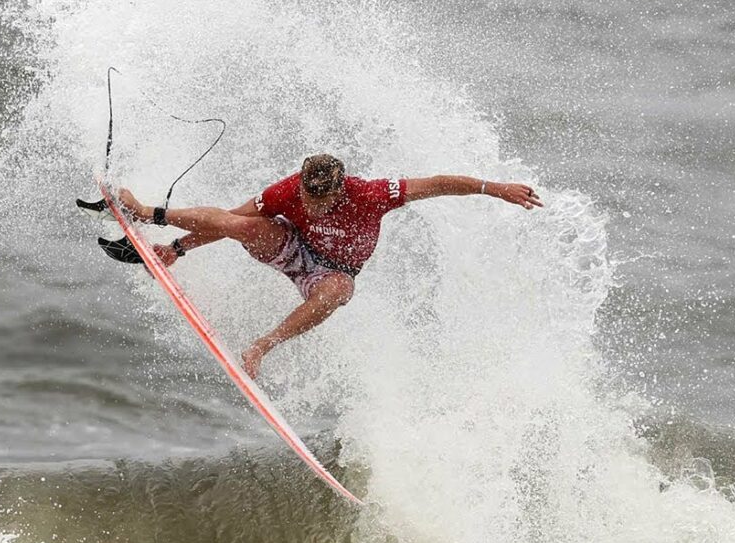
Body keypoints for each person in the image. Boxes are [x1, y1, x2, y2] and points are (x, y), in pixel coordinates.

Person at [117, 154, 543, 378]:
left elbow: (438, 184)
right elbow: (230, 221)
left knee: (338, 293)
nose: (310, 207)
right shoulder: (289, 190)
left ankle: (261, 347)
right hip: (289, 246)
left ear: (341, 191)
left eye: (319, 203)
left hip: (332, 270)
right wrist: (179, 247)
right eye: (306, 199)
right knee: (239, 222)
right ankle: (147, 214)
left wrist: (496, 188)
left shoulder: (373, 194)